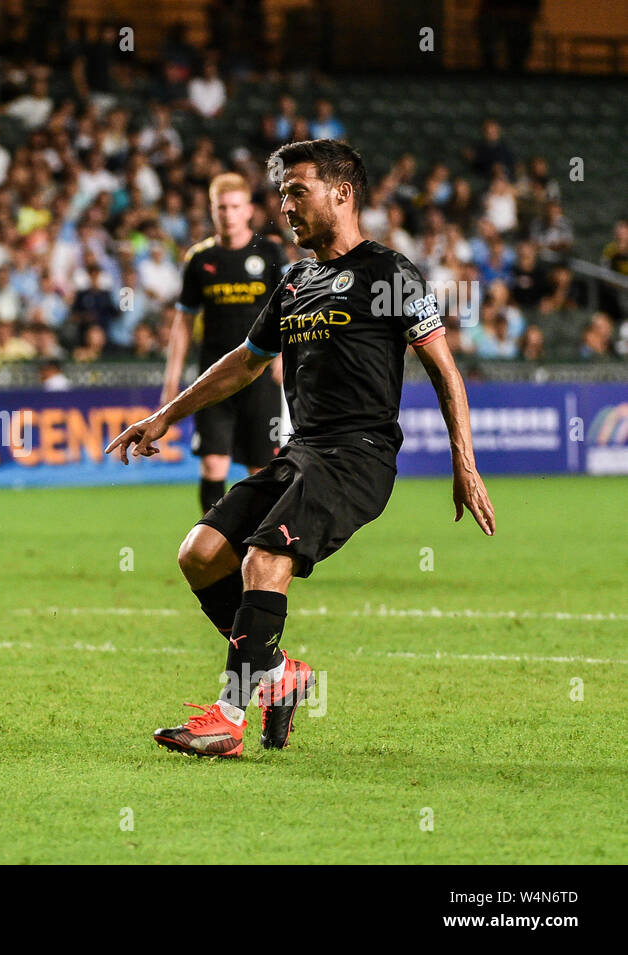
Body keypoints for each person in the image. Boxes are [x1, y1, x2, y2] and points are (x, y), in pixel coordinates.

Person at [107, 139, 496, 758]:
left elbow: (446, 371)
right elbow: (244, 363)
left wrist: (464, 464)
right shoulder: (296, 281)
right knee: (201, 554)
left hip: (358, 456)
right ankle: (278, 674)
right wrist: (163, 416)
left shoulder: (388, 273)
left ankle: (228, 718)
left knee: (263, 559)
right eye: (282, 193)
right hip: (303, 451)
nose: (284, 206)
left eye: (298, 191)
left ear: (342, 194)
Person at [163, 173, 287, 515]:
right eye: (221, 208)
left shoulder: (270, 251)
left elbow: (292, 307)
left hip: (259, 375)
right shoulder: (199, 259)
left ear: (248, 210)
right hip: (213, 376)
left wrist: (284, 356)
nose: (228, 214)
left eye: (235, 207)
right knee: (213, 465)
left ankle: (257, 550)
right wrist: (172, 379)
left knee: (260, 468)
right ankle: (213, 549)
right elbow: (183, 321)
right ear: (211, 211)